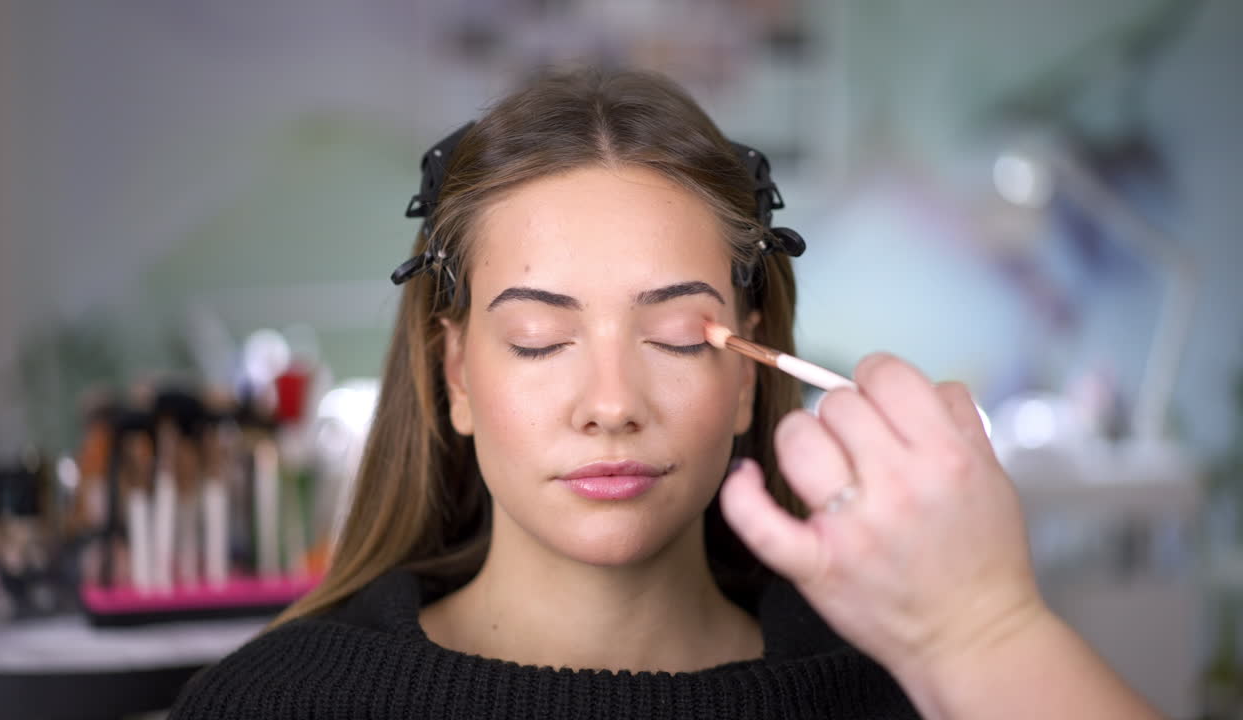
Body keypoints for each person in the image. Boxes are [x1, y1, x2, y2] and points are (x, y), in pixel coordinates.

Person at [170, 68, 1160, 720]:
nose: (610, 403)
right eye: (539, 338)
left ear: (746, 371)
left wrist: (988, 633)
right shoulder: (281, 700)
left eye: (678, 335)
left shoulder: (897, 688)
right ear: (456, 374)